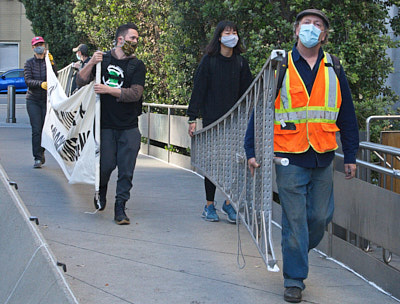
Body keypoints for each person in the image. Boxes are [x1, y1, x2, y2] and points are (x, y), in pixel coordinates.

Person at [244, 9, 359, 303]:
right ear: (296, 31)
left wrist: (351, 156)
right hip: (289, 156)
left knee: (320, 217)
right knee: (294, 221)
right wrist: (251, 149)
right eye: (306, 23)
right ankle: (294, 279)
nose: (311, 28)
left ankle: (296, 250)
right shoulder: (280, 66)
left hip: (322, 155)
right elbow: (261, 110)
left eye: (317, 25)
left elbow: (346, 114)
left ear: (324, 35)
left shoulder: (334, 67)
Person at [76, 22, 146, 225]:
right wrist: (90, 63)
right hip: (105, 125)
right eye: (132, 38)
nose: (135, 42)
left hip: (129, 126)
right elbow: (80, 81)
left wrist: (108, 90)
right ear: (120, 39)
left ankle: (120, 207)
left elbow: (135, 93)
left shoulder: (137, 65)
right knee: (106, 165)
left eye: (137, 39)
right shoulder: (102, 60)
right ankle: (101, 188)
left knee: (126, 170)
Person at [187, 20, 253, 223]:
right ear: (219, 36)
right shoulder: (209, 61)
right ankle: (209, 205)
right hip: (213, 120)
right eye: (227, 32)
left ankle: (228, 203)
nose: (231, 35)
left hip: (235, 122)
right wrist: (192, 117)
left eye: (234, 32)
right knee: (214, 163)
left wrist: (250, 116)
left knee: (234, 164)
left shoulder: (241, 62)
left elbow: (248, 92)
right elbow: (199, 88)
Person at [24, 36, 57, 169]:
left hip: (46, 101)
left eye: (41, 44)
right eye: (37, 45)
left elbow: (55, 77)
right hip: (33, 100)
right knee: (36, 129)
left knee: (45, 130)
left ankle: (41, 152)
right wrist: (40, 84)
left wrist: (52, 63)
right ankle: (37, 157)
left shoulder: (48, 62)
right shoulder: (29, 63)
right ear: (33, 48)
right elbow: (28, 80)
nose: (40, 46)